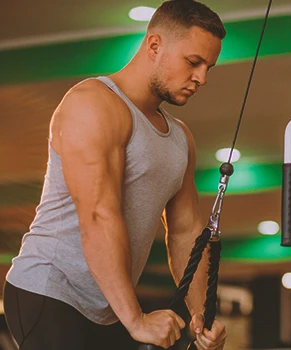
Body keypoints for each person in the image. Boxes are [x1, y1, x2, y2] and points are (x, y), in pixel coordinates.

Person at [3, 0, 227, 349]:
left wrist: (201, 317)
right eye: (193, 62)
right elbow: (98, 215)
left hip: (109, 306)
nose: (202, 78)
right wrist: (136, 319)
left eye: (208, 67)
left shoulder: (180, 137)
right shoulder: (94, 104)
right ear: (154, 45)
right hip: (50, 290)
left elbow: (185, 232)